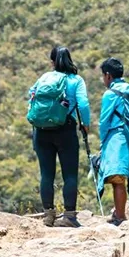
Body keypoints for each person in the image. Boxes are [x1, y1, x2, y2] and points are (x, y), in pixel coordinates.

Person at [29, 46, 90, 228]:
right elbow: (83, 104)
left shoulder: (44, 78)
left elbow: (31, 97)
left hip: (41, 130)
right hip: (66, 130)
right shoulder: (76, 80)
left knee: (46, 174)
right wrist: (85, 124)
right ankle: (69, 217)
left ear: (52, 62)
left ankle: (48, 216)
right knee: (69, 174)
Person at [97, 57, 129, 226]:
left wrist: (102, 142)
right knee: (125, 177)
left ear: (108, 76)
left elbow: (104, 122)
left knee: (117, 179)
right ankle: (120, 212)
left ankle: (120, 216)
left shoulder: (110, 94)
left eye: (103, 76)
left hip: (117, 139)